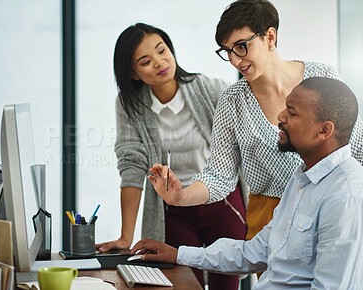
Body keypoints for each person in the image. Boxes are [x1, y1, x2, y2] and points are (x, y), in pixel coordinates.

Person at [146, 0, 363, 244]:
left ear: (270, 37)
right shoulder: (232, 101)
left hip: (332, 207)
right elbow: (220, 175)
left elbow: (356, 148)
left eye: (241, 46)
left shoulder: (322, 77)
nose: (235, 61)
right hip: (269, 219)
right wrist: (181, 197)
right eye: (227, 51)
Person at [133, 77, 363, 289]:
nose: (280, 117)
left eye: (291, 113)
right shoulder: (302, 178)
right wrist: (179, 255)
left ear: (325, 130)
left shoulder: (345, 195)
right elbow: (256, 251)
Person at [95, 23, 247, 290]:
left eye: (162, 51)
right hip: (174, 211)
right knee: (181, 284)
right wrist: (125, 235)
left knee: (227, 284)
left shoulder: (212, 90)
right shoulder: (129, 105)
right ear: (133, 73)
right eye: (145, 61)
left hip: (223, 204)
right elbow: (131, 164)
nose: (159, 62)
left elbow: (247, 146)